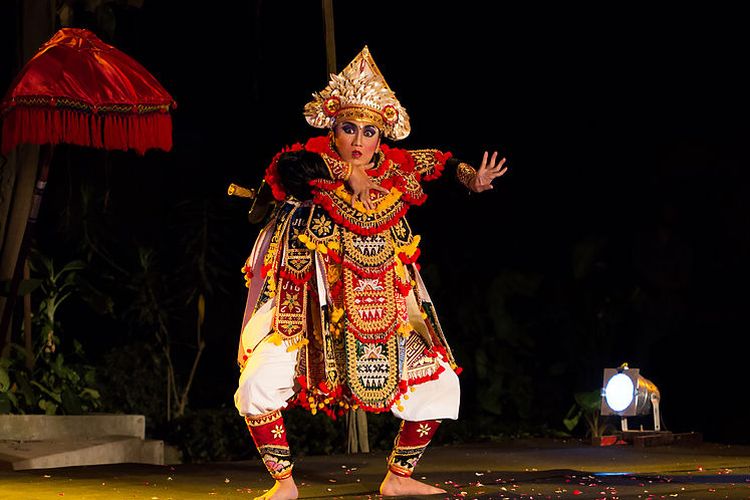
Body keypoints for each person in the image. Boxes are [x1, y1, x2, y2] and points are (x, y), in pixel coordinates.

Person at [234, 46, 507, 500]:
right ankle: (284, 485)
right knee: (261, 380)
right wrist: (346, 174)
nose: (358, 141)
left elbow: (439, 159)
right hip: (311, 315)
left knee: (441, 381)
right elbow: (286, 168)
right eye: (348, 129)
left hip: (384, 308)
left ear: (382, 138)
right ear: (333, 128)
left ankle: (398, 477)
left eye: (369, 131)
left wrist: (469, 179)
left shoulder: (393, 169)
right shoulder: (310, 162)